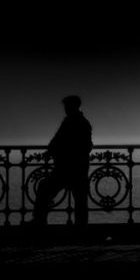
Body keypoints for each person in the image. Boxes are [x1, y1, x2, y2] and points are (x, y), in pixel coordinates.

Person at [31, 95, 93, 226]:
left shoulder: (74, 122)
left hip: (67, 168)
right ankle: (81, 229)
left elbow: (63, 141)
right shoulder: (79, 122)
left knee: (44, 189)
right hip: (77, 168)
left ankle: (39, 221)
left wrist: (55, 151)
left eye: (67, 106)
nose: (65, 109)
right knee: (80, 200)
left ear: (73, 106)